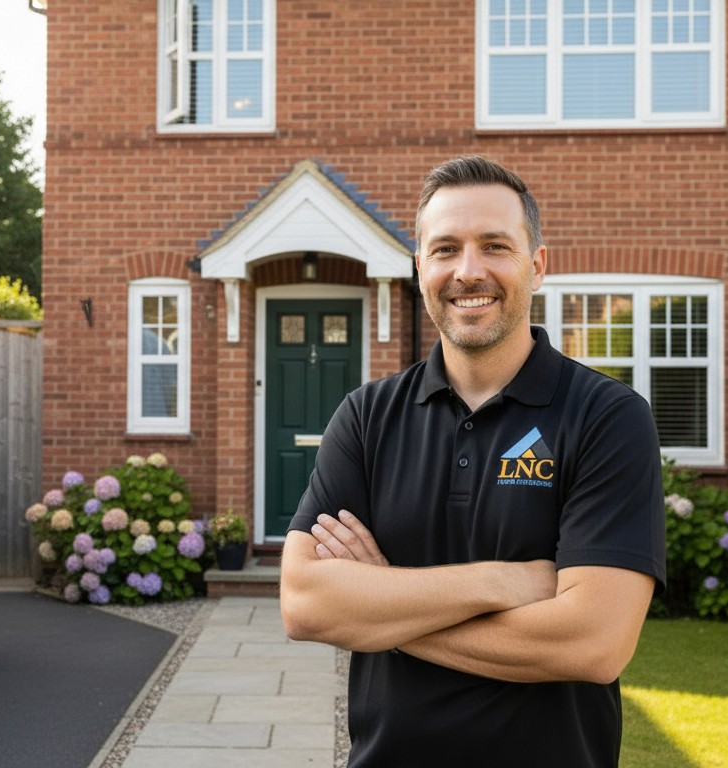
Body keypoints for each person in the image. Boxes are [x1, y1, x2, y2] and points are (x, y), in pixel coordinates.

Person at [279, 156, 666, 767]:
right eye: (445, 249)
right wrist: (504, 581)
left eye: (494, 246)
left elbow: (594, 643)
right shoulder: (367, 416)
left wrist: (382, 605)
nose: (468, 271)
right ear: (419, 268)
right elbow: (305, 603)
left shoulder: (607, 418)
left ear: (536, 265)